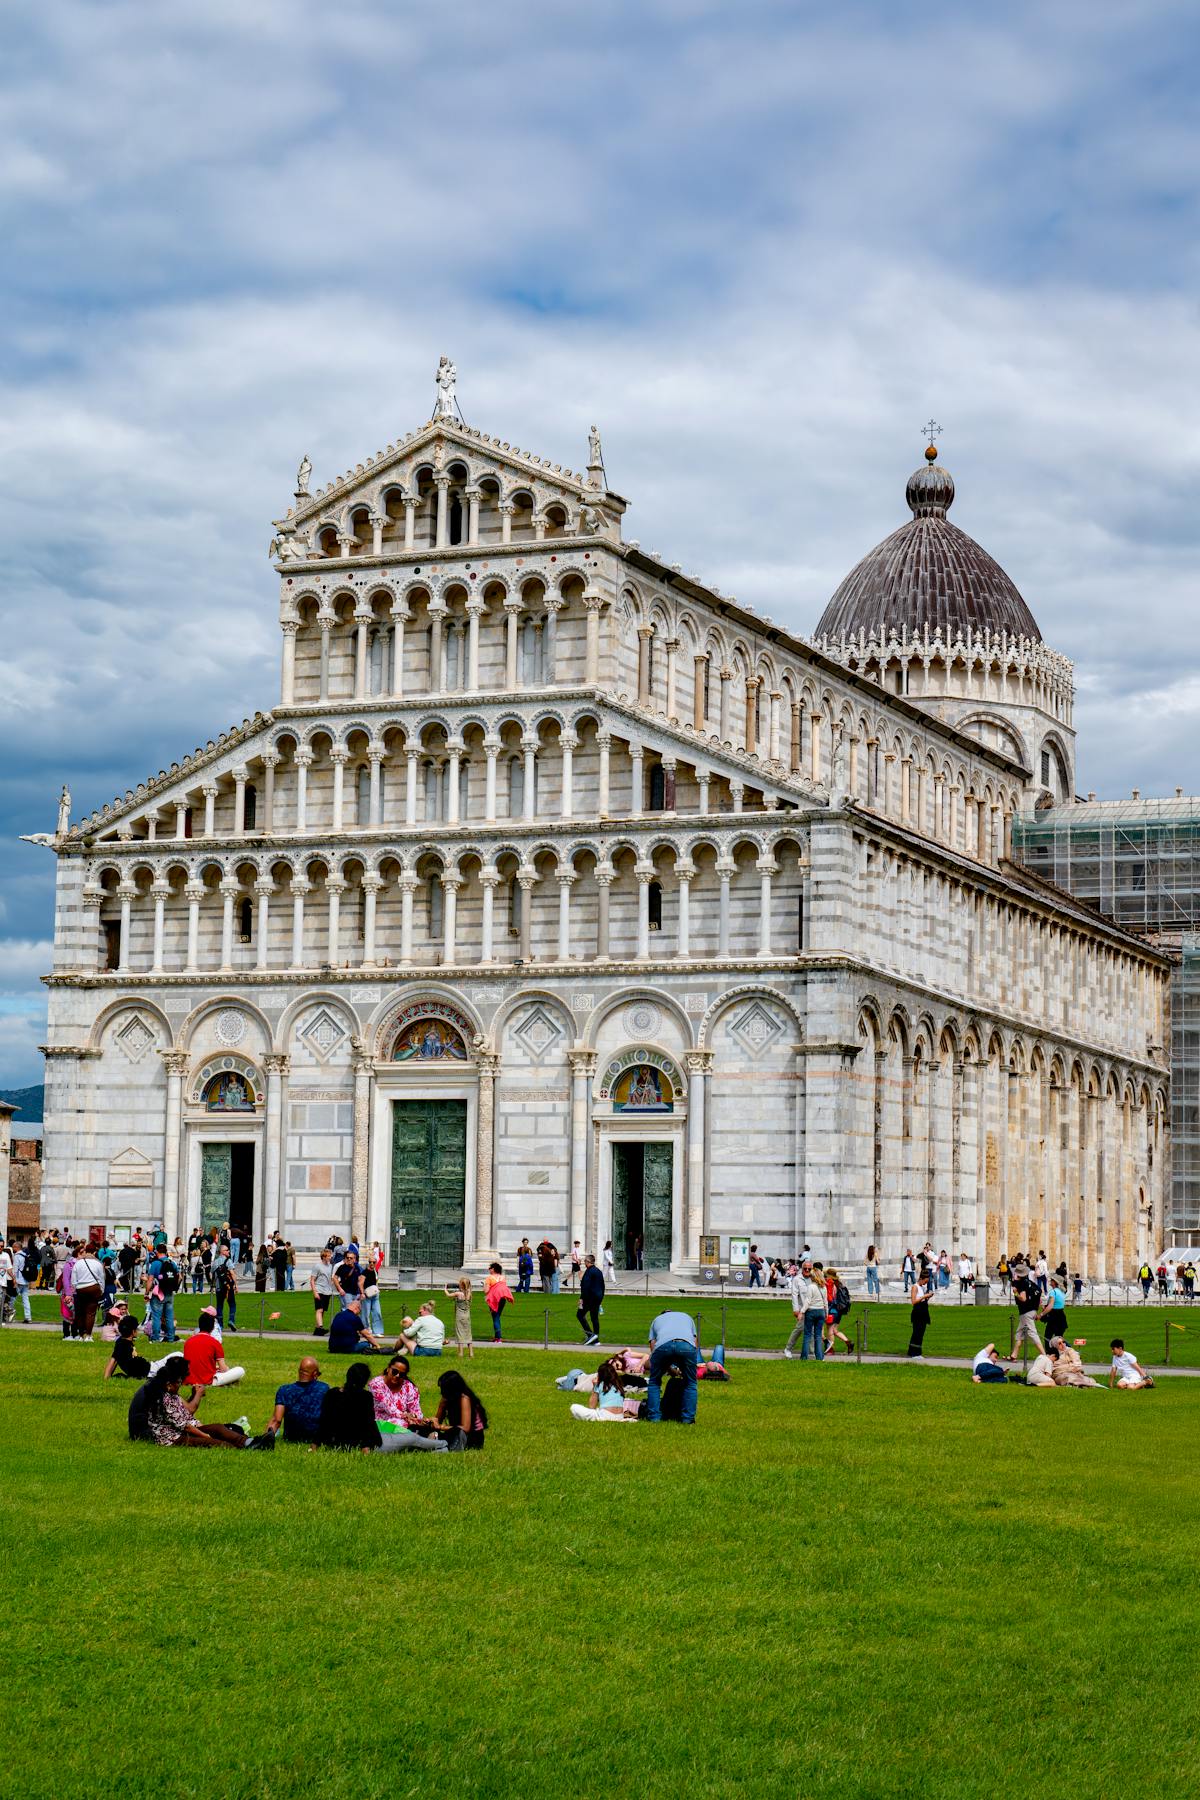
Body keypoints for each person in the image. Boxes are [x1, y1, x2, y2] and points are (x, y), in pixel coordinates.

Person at [128, 1357, 248, 1448]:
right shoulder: (163, 1396)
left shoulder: (160, 1386)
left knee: (218, 1428)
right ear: (170, 1384)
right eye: (180, 1381)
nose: (182, 1383)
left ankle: (247, 1442)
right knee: (216, 1442)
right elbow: (186, 1420)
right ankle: (242, 1444)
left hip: (173, 1430)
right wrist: (198, 1394)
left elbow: (182, 1413)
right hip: (168, 1436)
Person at [366, 1355, 447, 1452]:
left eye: (402, 1374)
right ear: (388, 1369)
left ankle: (426, 1441)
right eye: (395, 1372)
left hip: (406, 1424)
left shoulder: (409, 1387)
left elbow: (416, 1411)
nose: (397, 1376)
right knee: (401, 1425)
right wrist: (407, 1416)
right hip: (382, 1423)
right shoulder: (376, 1384)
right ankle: (431, 1443)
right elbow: (389, 1407)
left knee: (419, 1426)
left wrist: (418, 1419)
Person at [645, 1310, 698, 1423]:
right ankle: (688, 1419)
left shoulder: (656, 1320)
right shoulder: (687, 1316)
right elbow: (695, 1341)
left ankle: (654, 1417)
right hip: (686, 1346)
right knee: (691, 1383)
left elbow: (653, 1346)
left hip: (663, 1346)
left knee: (654, 1382)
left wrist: (667, 1368)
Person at [316, 1362, 383, 1451]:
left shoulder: (332, 1393)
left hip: (334, 1441)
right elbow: (368, 1425)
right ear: (365, 1381)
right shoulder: (366, 1397)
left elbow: (324, 1422)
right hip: (356, 1442)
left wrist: (315, 1444)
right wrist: (366, 1447)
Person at [265, 1356, 330, 1443]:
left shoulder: (284, 1390)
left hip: (291, 1438)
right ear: (315, 1374)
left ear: (299, 1372)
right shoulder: (324, 1388)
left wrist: (263, 1439)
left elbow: (276, 1420)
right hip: (316, 1438)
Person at [182, 1311, 246, 1388]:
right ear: (212, 1328)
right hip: (207, 1381)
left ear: (199, 1325)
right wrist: (226, 1369)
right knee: (240, 1370)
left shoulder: (188, 1341)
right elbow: (223, 1369)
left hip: (189, 1380)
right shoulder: (215, 1343)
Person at [570, 1357, 640, 1421]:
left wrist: (595, 1387)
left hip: (605, 1416)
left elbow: (592, 1406)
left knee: (574, 1407)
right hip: (619, 1417)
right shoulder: (619, 1386)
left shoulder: (600, 1384)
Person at [783, 1259, 826, 1360]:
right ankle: (788, 1348)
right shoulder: (797, 1279)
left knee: (812, 1332)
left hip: (813, 1309)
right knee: (800, 1329)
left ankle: (813, 1352)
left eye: (809, 1268)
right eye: (805, 1268)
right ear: (802, 1268)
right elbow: (794, 1295)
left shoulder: (814, 1278)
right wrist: (796, 1309)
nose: (807, 1270)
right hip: (802, 1309)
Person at [433, 1369, 488, 1448]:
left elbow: (465, 1428)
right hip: (456, 1433)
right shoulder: (448, 1397)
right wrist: (441, 1406)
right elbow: (437, 1422)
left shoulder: (464, 1398)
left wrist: (442, 1427)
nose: (441, 1392)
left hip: (472, 1438)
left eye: (444, 1388)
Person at [71, 1242, 107, 1341]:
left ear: (86, 1251)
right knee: (90, 1313)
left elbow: (73, 1280)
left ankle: (81, 1334)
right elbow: (101, 1279)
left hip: (81, 1289)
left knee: (81, 1312)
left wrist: (76, 1288)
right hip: (94, 1288)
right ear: (95, 1252)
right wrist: (101, 1291)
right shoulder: (98, 1263)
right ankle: (88, 1335)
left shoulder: (78, 1263)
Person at [1008, 1272, 1044, 1362]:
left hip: (1026, 1312)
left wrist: (1015, 1293)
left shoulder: (1022, 1284)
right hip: (1032, 1310)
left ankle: (1044, 1355)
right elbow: (1039, 1296)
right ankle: (1014, 1355)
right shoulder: (1029, 1282)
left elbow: (1023, 1298)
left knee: (1032, 1333)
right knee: (1020, 1333)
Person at [104, 1314, 152, 1381]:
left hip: (147, 1369)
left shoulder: (123, 1342)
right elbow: (114, 1360)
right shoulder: (123, 1344)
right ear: (133, 1331)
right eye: (136, 1329)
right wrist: (106, 1377)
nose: (137, 1331)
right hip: (149, 1370)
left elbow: (115, 1359)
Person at [822, 1268, 853, 1355]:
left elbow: (830, 1299)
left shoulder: (831, 1285)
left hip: (833, 1310)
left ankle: (830, 1349)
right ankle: (848, 1343)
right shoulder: (839, 1284)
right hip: (839, 1310)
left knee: (830, 1330)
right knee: (835, 1330)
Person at [577, 1252, 604, 1345]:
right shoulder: (598, 1271)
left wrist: (581, 1299)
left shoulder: (589, 1271)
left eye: (585, 1261)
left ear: (588, 1262)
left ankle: (591, 1335)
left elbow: (585, 1286)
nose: (584, 1263)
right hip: (598, 1297)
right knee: (594, 1317)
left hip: (589, 1298)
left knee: (580, 1315)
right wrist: (601, 1299)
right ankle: (595, 1338)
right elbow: (602, 1286)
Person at [907, 1265, 933, 1360]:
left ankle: (913, 1351)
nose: (926, 1282)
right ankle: (915, 1353)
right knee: (917, 1333)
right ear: (922, 1278)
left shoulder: (921, 1287)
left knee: (920, 1333)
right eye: (926, 1280)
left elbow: (921, 1300)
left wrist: (927, 1297)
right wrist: (924, 1296)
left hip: (923, 1312)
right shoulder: (915, 1287)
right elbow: (913, 1301)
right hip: (917, 1313)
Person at [444, 1276, 474, 1359]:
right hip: (467, 1316)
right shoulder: (469, 1293)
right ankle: (471, 1353)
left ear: (461, 1285)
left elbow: (448, 1295)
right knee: (468, 1333)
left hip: (459, 1316)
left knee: (460, 1333)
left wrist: (445, 1288)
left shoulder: (458, 1294)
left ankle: (461, 1353)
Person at [484, 1263, 513, 1343]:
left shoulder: (489, 1278)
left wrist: (485, 1286)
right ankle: (497, 1336)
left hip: (494, 1299)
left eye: (490, 1268)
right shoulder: (503, 1277)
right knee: (497, 1316)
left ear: (493, 1269)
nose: (489, 1269)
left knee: (495, 1317)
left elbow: (486, 1291)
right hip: (502, 1298)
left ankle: (498, 1337)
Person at [213, 1244, 238, 1333]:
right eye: (227, 1250)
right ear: (222, 1252)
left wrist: (213, 1285)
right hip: (228, 1287)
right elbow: (232, 1273)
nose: (229, 1251)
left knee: (219, 1306)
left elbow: (212, 1274)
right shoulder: (228, 1261)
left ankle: (220, 1325)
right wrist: (235, 1285)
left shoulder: (215, 1262)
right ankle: (231, 1320)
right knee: (232, 1304)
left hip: (219, 1287)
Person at [310, 1249, 336, 1336]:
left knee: (323, 1310)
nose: (330, 1257)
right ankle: (321, 1327)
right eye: (328, 1256)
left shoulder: (330, 1266)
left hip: (327, 1291)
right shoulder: (317, 1266)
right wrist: (315, 1292)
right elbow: (312, 1280)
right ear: (324, 1257)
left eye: (330, 1255)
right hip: (319, 1290)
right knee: (319, 1309)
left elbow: (330, 1278)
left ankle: (317, 1330)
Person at [1039, 1272, 1068, 1347]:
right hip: (1061, 1314)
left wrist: (1041, 1314)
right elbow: (1056, 1304)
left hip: (1054, 1316)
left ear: (1054, 1282)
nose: (1050, 1281)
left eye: (1051, 1280)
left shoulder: (1053, 1292)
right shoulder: (1062, 1291)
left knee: (1047, 1337)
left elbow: (1050, 1306)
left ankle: (1049, 1353)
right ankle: (1061, 1353)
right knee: (1059, 1338)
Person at [359, 1256, 384, 1337]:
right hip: (367, 1295)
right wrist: (362, 1293)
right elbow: (360, 1283)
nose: (372, 1264)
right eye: (370, 1262)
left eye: (373, 1262)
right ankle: (365, 1329)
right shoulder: (364, 1272)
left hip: (375, 1294)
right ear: (368, 1262)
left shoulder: (376, 1271)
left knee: (377, 1312)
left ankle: (377, 1331)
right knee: (365, 1313)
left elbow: (376, 1282)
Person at [13, 1239, 36, 1323]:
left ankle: (9, 1316)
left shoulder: (17, 1256)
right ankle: (28, 1317)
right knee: (26, 1300)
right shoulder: (25, 1255)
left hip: (19, 1280)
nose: (13, 1249)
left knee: (12, 1298)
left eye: (13, 1247)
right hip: (26, 1280)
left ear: (16, 1247)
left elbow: (15, 1269)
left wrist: (14, 1280)